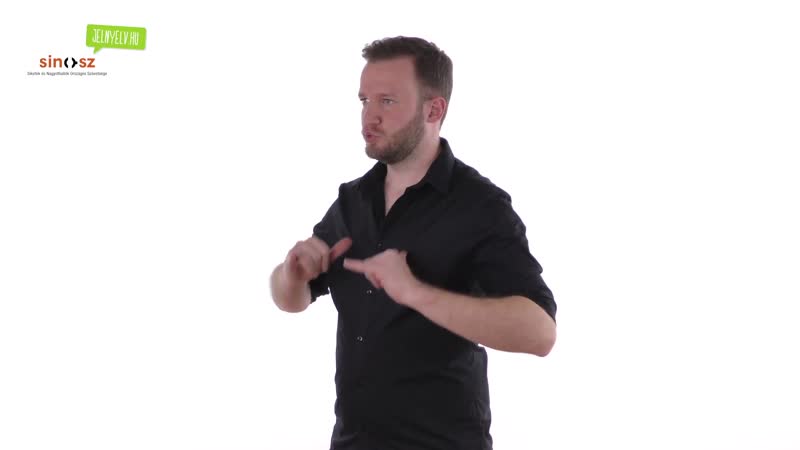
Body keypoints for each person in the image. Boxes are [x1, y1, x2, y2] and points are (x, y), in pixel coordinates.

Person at [269, 36, 557, 450]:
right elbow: (291, 300)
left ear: (434, 110)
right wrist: (291, 274)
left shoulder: (480, 206)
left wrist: (415, 292)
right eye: (364, 100)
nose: (369, 116)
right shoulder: (353, 200)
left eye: (387, 101)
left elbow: (540, 333)